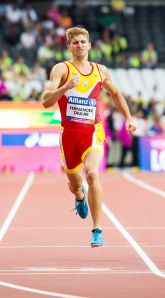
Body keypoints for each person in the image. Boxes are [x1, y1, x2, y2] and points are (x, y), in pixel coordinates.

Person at [42, 27, 136, 247]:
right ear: (69, 47)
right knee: (75, 185)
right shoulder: (61, 69)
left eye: (83, 42)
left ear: (90, 45)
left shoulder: (99, 71)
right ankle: (79, 196)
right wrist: (66, 86)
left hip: (92, 132)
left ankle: (97, 230)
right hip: (68, 136)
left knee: (92, 174)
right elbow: (46, 102)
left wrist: (128, 118)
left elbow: (115, 94)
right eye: (75, 43)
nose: (80, 45)